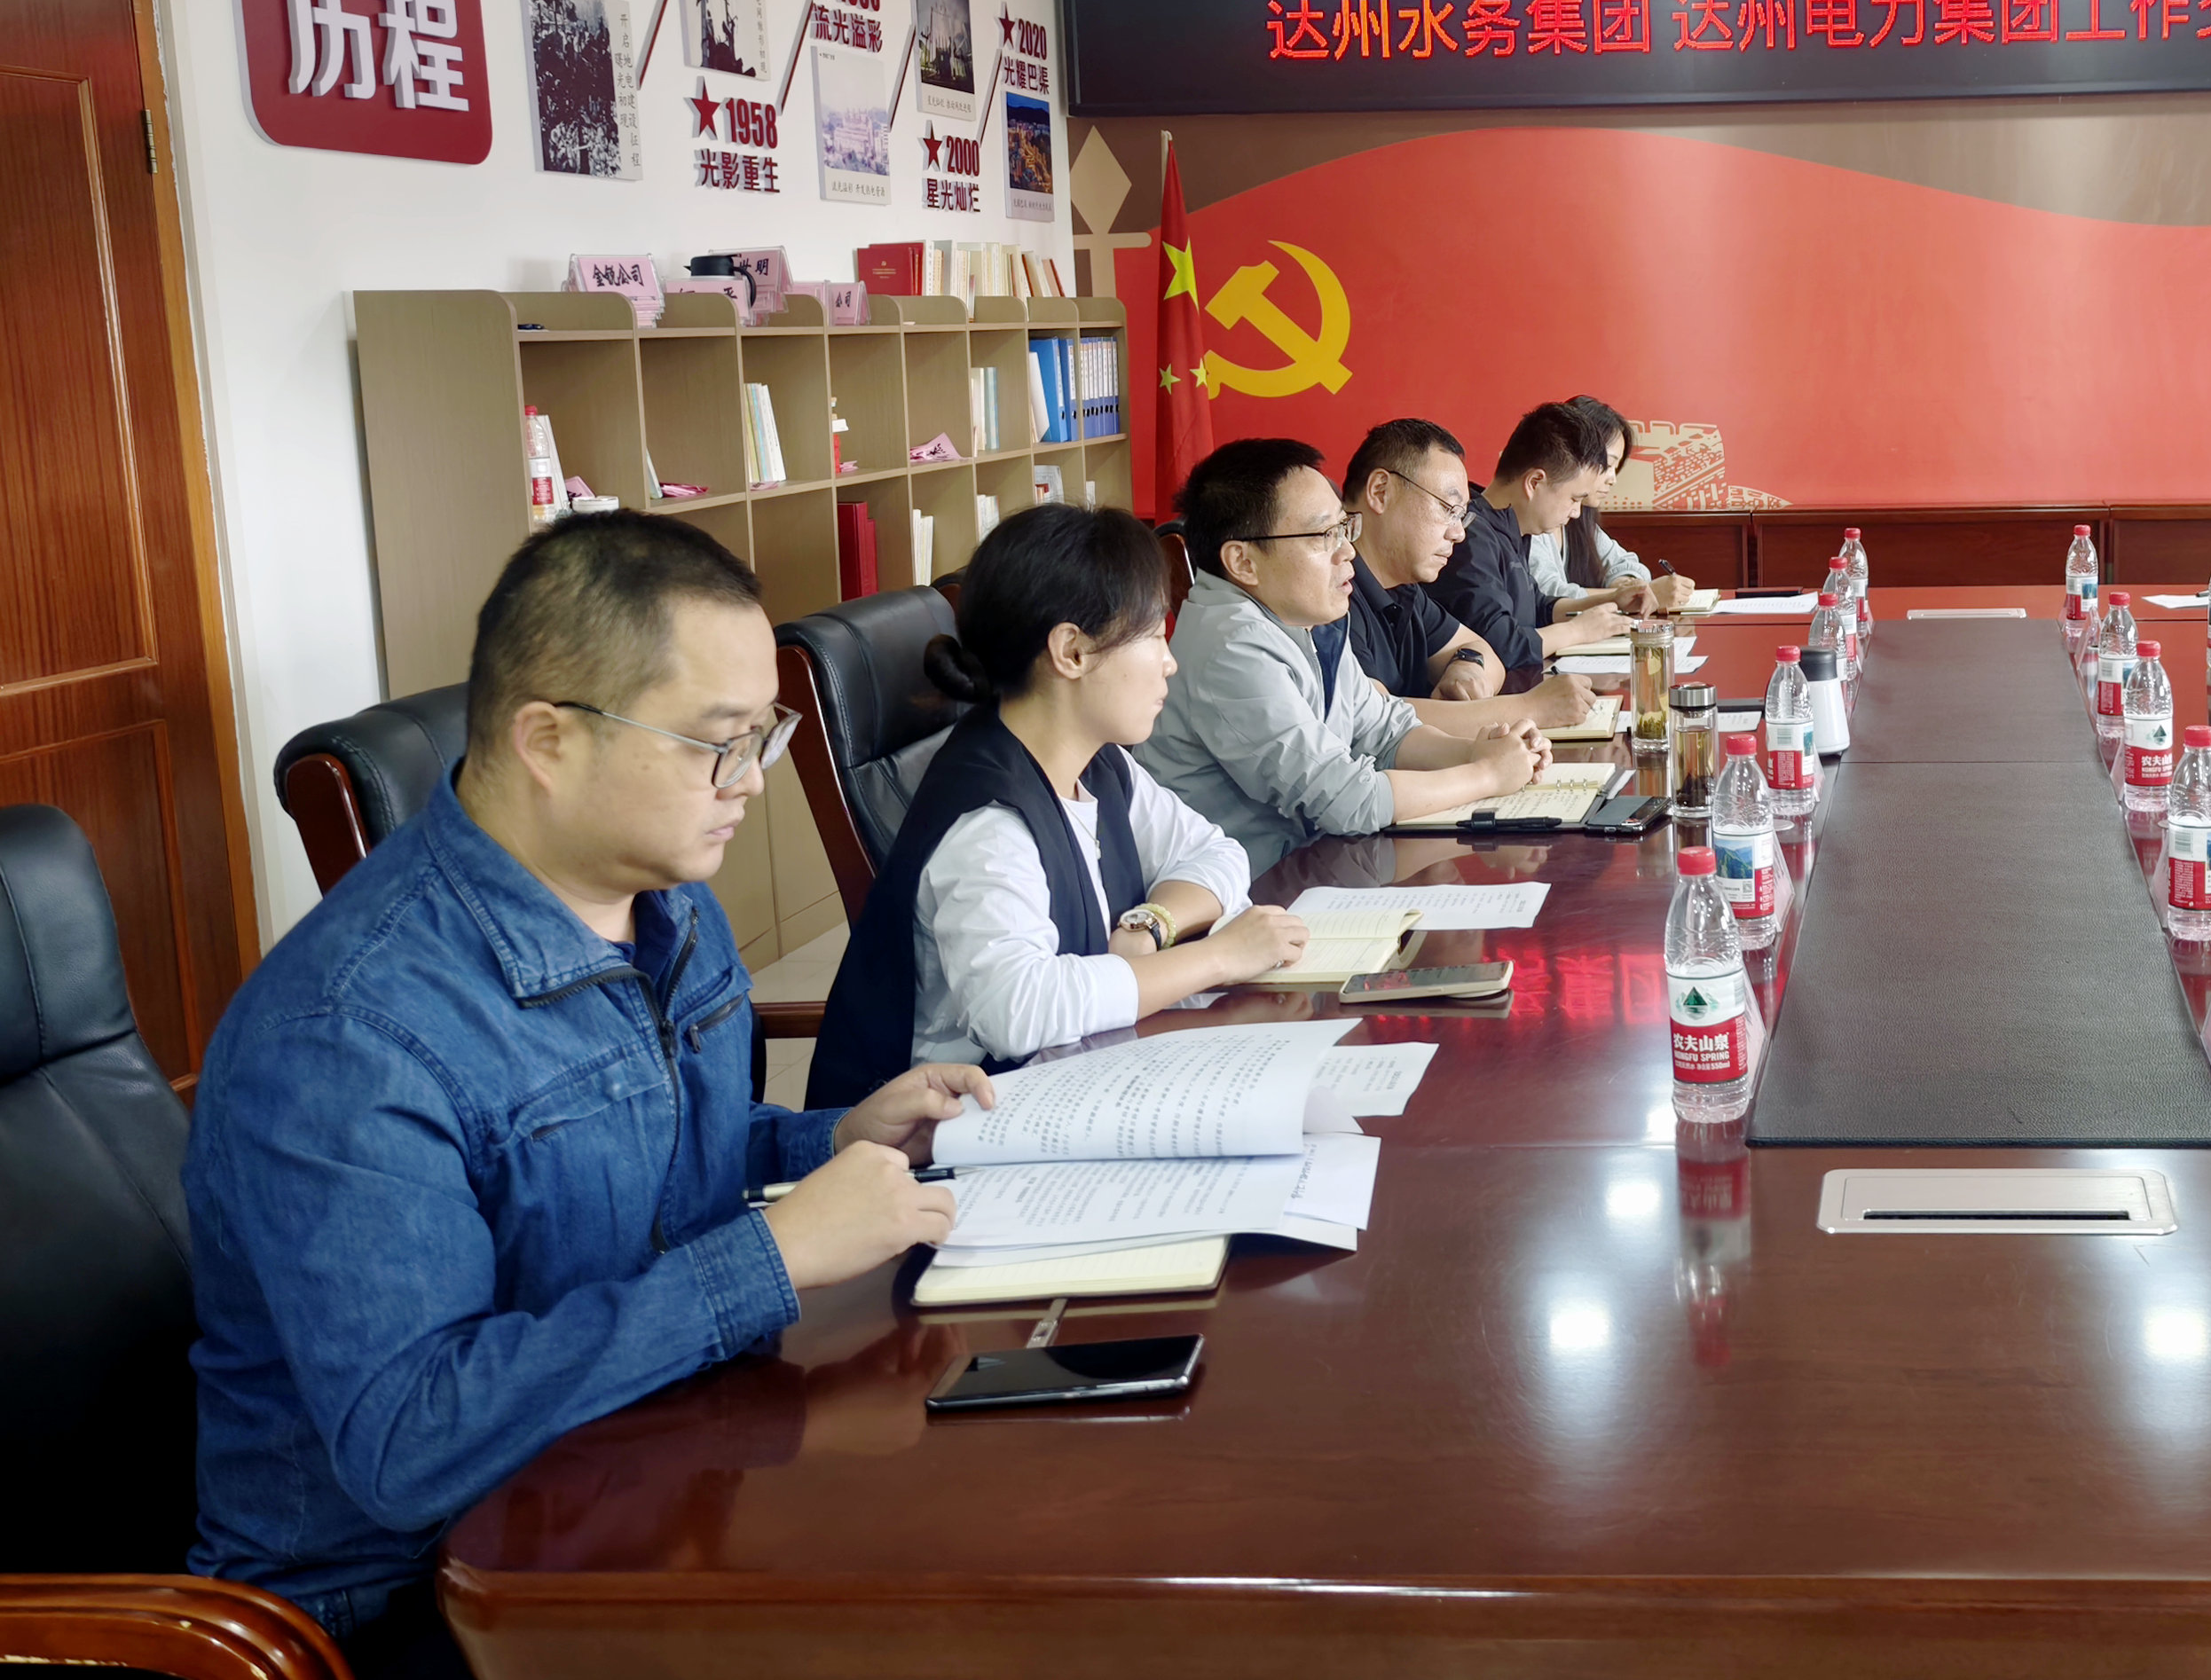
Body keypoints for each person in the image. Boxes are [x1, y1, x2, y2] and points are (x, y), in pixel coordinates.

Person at [184, 513, 992, 1668]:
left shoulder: (666, 895)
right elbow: (411, 1440)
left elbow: (639, 1150)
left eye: (761, 735)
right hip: (415, 1602)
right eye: (716, 742)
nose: (750, 784)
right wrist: (767, 1258)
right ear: (549, 739)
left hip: (646, 1470)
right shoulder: (347, 1035)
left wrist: (827, 1140)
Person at [807, 504, 1312, 1098]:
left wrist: (1150, 927)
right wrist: (1219, 958)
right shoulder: (989, 822)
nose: (1170, 661)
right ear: (1071, 651)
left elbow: (1215, 852)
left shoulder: (1098, 763)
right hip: (946, 1132)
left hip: (1074, 1081)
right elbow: (1017, 1010)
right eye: (1153, 635)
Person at [1141, 438, 1551, 868]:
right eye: (1324, 536)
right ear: (1243, 562)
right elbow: (1348, 800)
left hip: (1317, 866)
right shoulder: (1230, 647)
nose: (1347, 550)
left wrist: (1476, 751)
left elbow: (1385, 730)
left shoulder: (1304, 615)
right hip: (1251, 888)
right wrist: (1486, 775)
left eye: (1343, 528)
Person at [1343, 416, 1601, 728]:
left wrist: (1466, 667)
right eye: (1448, 509)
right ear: (1381, 491)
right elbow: (1374, 722)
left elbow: (1483, 651)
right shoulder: (1333, 595)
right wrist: (1529, 708)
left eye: (1461, 516)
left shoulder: (1403, 589)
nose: (1459, 534)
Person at [1429, 402, 1633, 671]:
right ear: (1535, 482)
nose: (1575, 513)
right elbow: (1501, 643)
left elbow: (1539, 606)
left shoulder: (1511, 528)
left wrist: (1611, 600)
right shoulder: (1470, 537)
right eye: (1574, 499)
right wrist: (1577, 631)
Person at [1530, 397, 1696, 616]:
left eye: (1616, 468)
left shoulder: (1579, 519)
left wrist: (1628, 587)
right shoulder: (1535, 519)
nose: (1612, 479)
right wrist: (1627, 597)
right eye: (1607, 466)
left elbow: (1625, 563)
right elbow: (1547, 596)